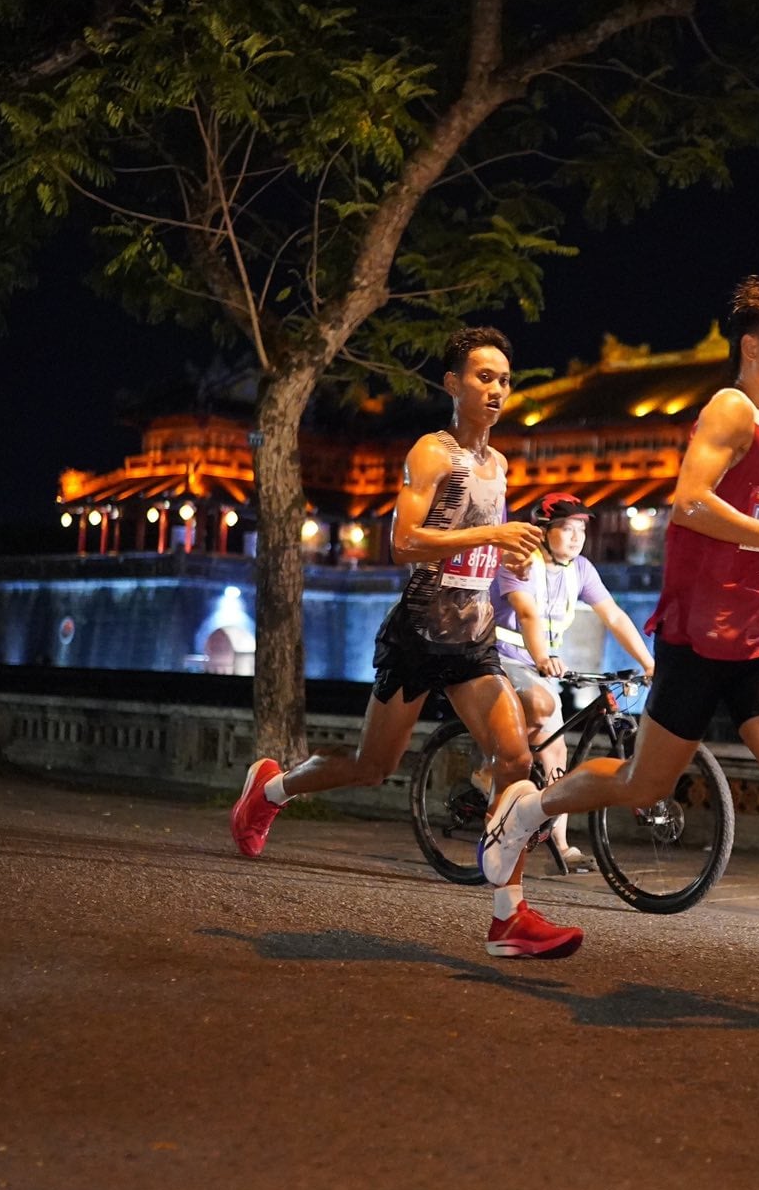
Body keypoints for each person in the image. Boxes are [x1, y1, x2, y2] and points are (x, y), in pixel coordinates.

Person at [479, 276, 759, 1023]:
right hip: (699, 640)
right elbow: (690, 501)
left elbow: (748, 534)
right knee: (642, 784)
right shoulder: (731, 409)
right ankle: (528, 810)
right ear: (752, 348)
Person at [230, 327, 584, 958]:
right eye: (483, 377)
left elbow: (479, 548)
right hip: (420, 635)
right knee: (372, 767)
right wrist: (493, 537)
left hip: (471, 639)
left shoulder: (499, 465)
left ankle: (508, 918)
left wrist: (508, 558)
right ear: (452, 384)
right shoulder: (432, 453)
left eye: (505, 380)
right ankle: (271, 790)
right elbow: (405, 542)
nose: (497, 389)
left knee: (514, 760)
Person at [489, 493, 655, 865]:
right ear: (543, 532)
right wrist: (542, 657)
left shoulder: (581, 569)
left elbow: (613, 615)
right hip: (501, 658)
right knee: (542, 705)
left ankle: (560, 845)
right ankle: (489, 769)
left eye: (581, 529)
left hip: (539, 666)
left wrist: (648, 662)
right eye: (566, 528)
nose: (577, 537)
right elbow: (527, 614)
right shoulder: (520, 561)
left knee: (557, 753)